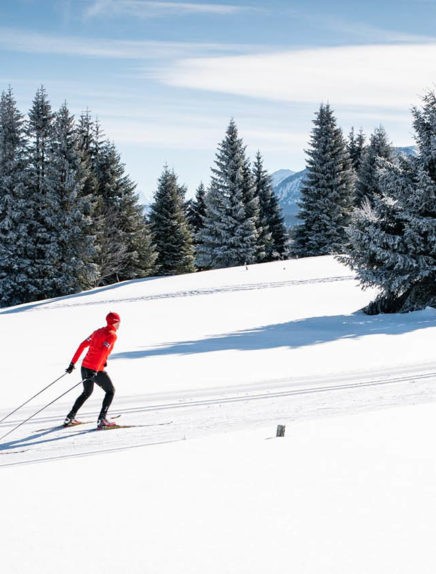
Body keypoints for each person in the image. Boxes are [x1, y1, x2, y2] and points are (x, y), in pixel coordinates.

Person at [64, 312, 121, 429]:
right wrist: (95, 370)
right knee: (110, 391)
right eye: (119, 322)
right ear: (116, 322)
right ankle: (102, 419)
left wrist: (72, 363)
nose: (120, 325)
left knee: (86, 392)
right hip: (95, 369)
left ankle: (70, 417)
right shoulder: (112, 335)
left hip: (84, 366)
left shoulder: (97, 332)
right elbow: (103, 352)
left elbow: (82, 345)